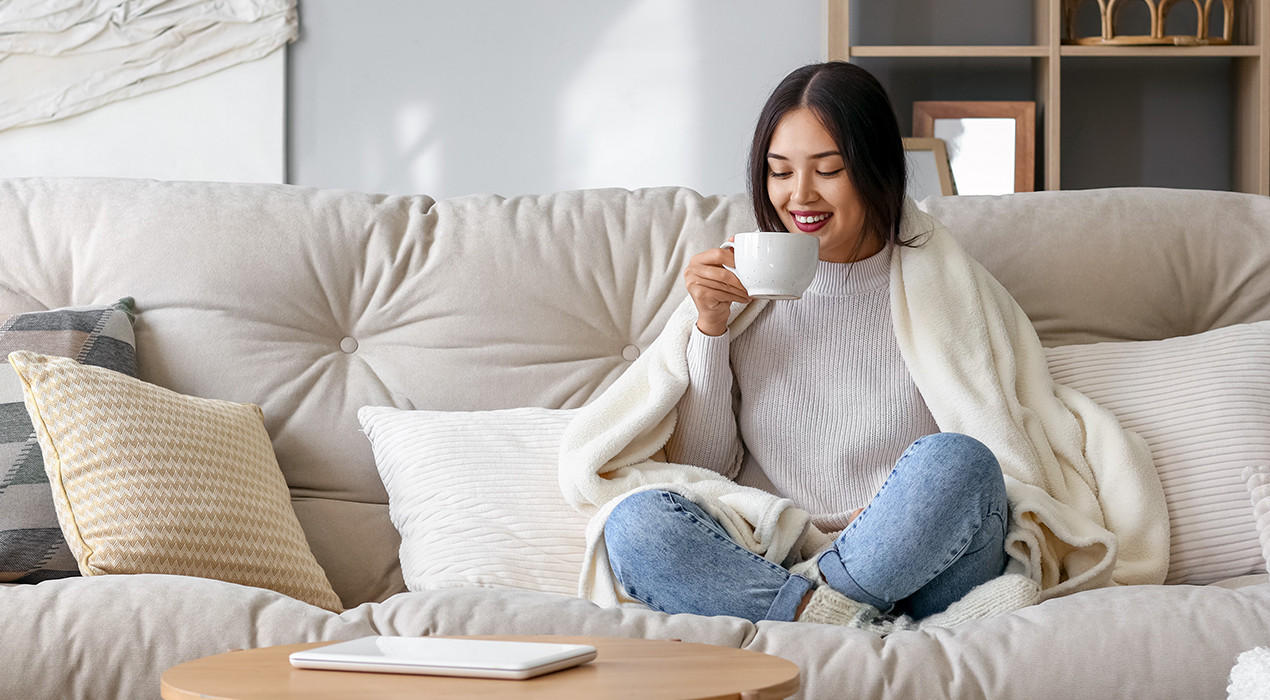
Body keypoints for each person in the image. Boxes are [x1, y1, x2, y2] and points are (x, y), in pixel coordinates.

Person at [600, 61, 1010, 631]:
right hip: (775, 555)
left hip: (924, 567)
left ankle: (808, 614)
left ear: (875, 169)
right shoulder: (745, 289)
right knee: (634, 525)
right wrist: (711, 328)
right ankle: (845, 623)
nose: (800, 195)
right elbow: (706, 470)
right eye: (779, 172)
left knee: (960, 462)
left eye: (829, 170)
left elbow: (1004, 444)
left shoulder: (945, 284)